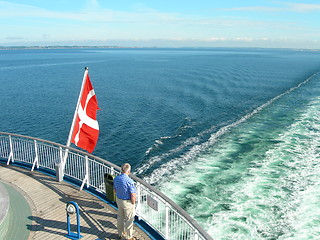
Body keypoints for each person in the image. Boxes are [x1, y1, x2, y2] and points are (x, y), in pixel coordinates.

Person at [113, 163, 137, 240]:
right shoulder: (130, 181)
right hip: (127, 202)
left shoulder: (116, 178)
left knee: (120, 217)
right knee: (129, 219)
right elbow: (133, 195)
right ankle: (129, 237)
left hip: (119, 200)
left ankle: (120, 234)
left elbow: (115, 190)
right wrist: (133, 203)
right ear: (129, 171)